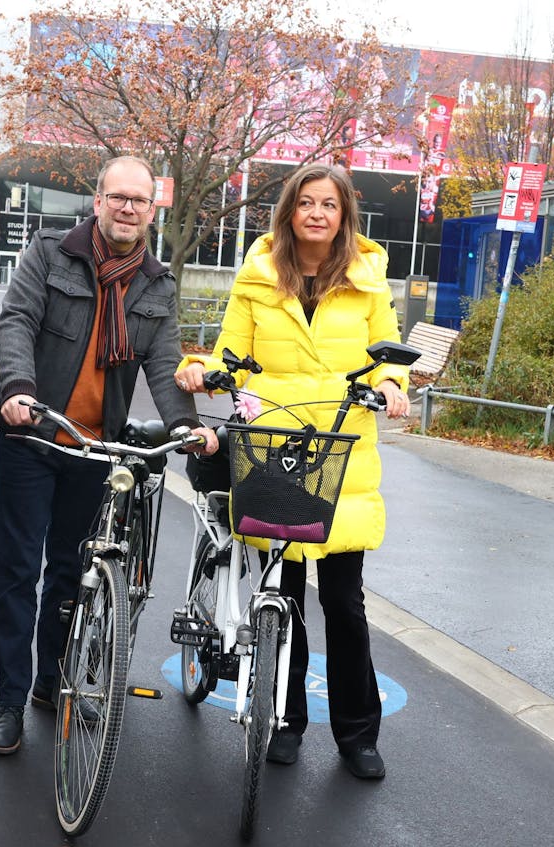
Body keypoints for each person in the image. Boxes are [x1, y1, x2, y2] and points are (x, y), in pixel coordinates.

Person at [175, 163, 410, 781]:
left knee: (344, 603)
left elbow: (389, 352)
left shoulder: (368, 282)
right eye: (305, 202)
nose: (316, 213)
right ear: (289, 211)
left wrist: (391, 382)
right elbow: (230, 351)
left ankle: (358, 735)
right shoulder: (256, 278)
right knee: (283, 596)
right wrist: (202, 367)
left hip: (340, 449)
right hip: (275, 443)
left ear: (343, 216)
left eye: (328, 204)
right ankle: (284, 719)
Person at [0, 155, 217, 755]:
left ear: (151, 210)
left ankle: (49, 683)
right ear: (98, 201)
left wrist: (185, 426)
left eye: (139, 201)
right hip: (34, 434)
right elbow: (16, 322)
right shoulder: (49, 253)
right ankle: (10, 701)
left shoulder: (156, 284)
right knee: (17, 572)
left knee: (69, 572)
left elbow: (164, 366)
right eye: (118, 197)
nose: (128, 208)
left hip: (93, 450)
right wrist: (16, 389)